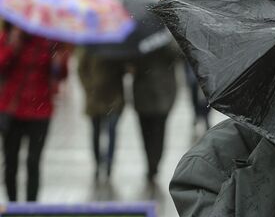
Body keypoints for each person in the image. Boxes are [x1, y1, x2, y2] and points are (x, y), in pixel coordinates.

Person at [0, 23, 69, 201]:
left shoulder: (51, 41)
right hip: (13, 110)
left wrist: (59, 61)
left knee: (33, 161)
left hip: (41, 111)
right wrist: (12, 46)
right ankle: (12, 204)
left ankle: (32, 206)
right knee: (10, 161)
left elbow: (61, 74)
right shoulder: (9, 37)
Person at [131, 43, 178, 185]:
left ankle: (154, 164)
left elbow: (179, 55)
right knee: (148, 133)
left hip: (161, 96)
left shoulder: (165, 41)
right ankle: (151, 163)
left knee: (157, 133)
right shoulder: (138, 41)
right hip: (144, 95)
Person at [77, 49, 126, 183]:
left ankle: (109, 162)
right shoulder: (89, 47)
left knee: (112, 130)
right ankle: (98, 162)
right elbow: (81, 69)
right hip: (95, 98)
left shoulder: (118, 47)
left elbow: (125, 68)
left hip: (114, 97)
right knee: (96, 132)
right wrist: (89, 87)